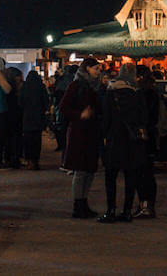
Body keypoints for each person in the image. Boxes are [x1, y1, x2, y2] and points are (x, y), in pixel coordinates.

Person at [97, 63, 147, 223]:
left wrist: (105, 135)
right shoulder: (137, 92)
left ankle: (110, 210)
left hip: (114, 137)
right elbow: (144, 116)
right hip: (131, 139)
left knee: (110, 175)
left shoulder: (111, 91)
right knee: (130, 175)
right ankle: (127, 211)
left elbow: (106, 117)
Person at [60, 57, 102, 218]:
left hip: (92, 132)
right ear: (87, 69)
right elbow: (63, 107)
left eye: (99, 68)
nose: (98, 71)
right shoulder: (76, 85)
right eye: (96, 68)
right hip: (79, 132)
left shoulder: (95, 86)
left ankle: (84, 202)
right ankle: (78, 205)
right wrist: (80, 115)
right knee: (80, 170)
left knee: (90, 169)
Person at [134, 64, 160, 218]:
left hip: (144, 136)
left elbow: (146, 116)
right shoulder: (152, 92)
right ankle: (146, 204)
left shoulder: (145, 93)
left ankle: (146, 205)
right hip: (149, 136)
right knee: (146, 173)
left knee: (143, 173)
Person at [20, 69, 49, 170]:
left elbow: (20, 102)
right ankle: (36, 161)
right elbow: (46, 102)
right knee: (37, 141)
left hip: (27, 117)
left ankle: (29, 161)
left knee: (28, 140)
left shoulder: (24, 87)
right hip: (38, 117)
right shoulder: (41, 87)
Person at [4, 67, 24, 168]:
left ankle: (10, 158)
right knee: (14, 138)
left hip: (10, 115)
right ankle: (13, 159)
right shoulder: (11, 89)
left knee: (11, 138)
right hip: (13, 115)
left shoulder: (7, 87)